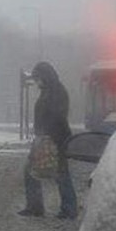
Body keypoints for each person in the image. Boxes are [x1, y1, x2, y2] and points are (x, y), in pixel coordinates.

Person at [19, 61, 78, 219]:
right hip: (45, 138)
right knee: (34, 171)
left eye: (38, 78)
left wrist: (46, 134)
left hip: (55, 139)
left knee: (60, 173)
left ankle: (68, 208)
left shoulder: (56, 92)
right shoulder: (49, 91)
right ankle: (37, 207)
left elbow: (57, 116)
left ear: (45, 76)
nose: (37, 81)